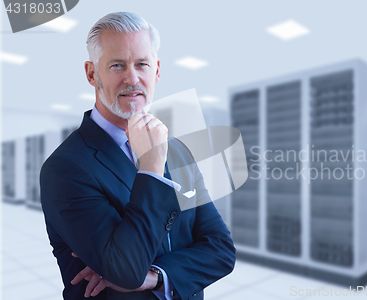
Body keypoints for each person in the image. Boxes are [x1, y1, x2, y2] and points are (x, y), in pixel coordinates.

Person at [40, 12, 235, 300]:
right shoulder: (66, 167)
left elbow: (221, 250)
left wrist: (156, 277)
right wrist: (152, 168)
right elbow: (126, 270)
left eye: (142, 64)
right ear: (92, 73)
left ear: (156, 70)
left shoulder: (179, 150)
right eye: (117, 65)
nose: (132, 78)